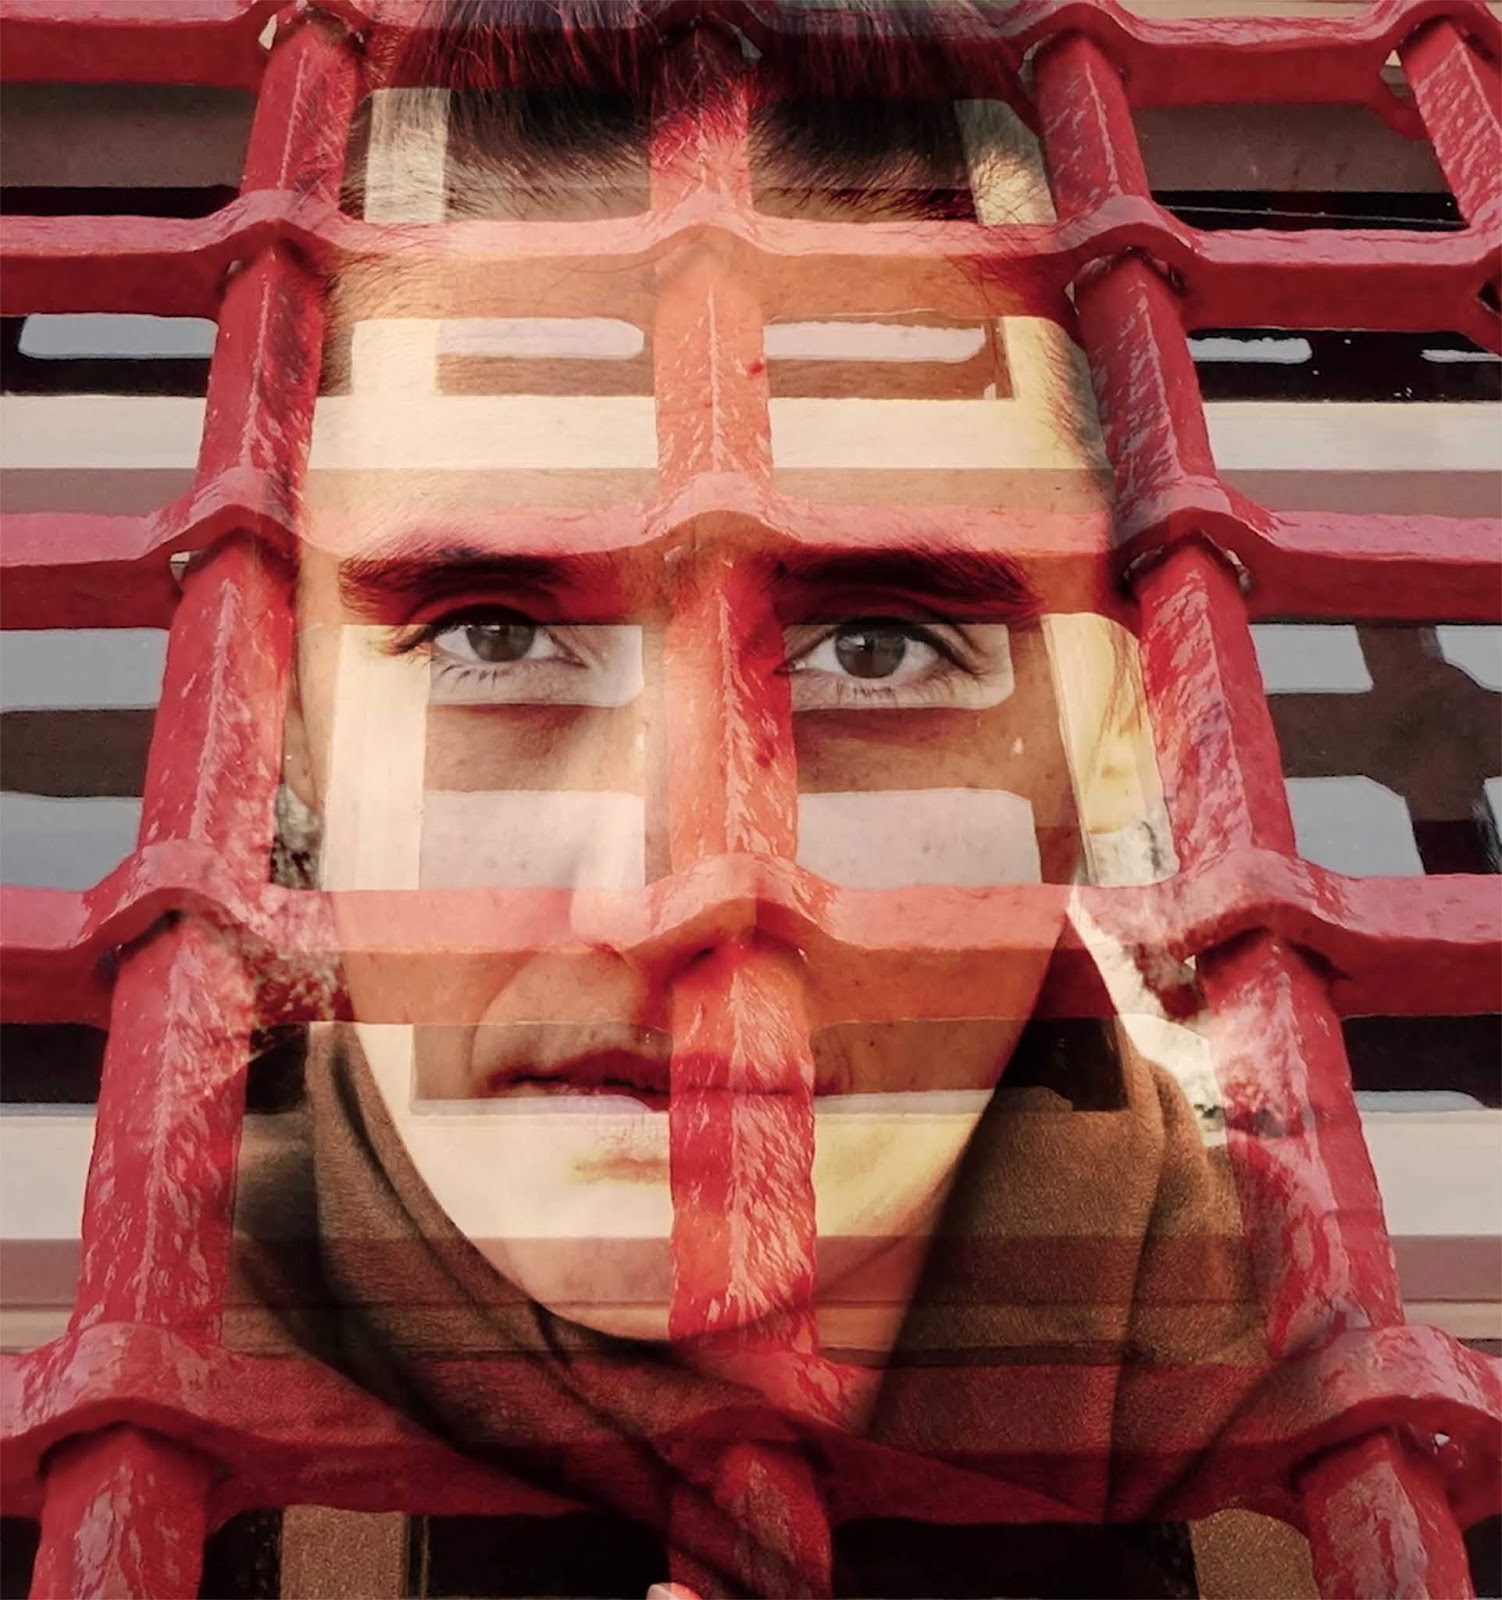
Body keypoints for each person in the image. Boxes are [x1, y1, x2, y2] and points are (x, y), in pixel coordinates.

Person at [239, 2, 1275, 1594]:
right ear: (285, 716)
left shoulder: (1383, 1471)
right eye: (487, 637)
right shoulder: (86, 1453)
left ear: (1130, 716)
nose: (673, 898)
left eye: (877, 647)